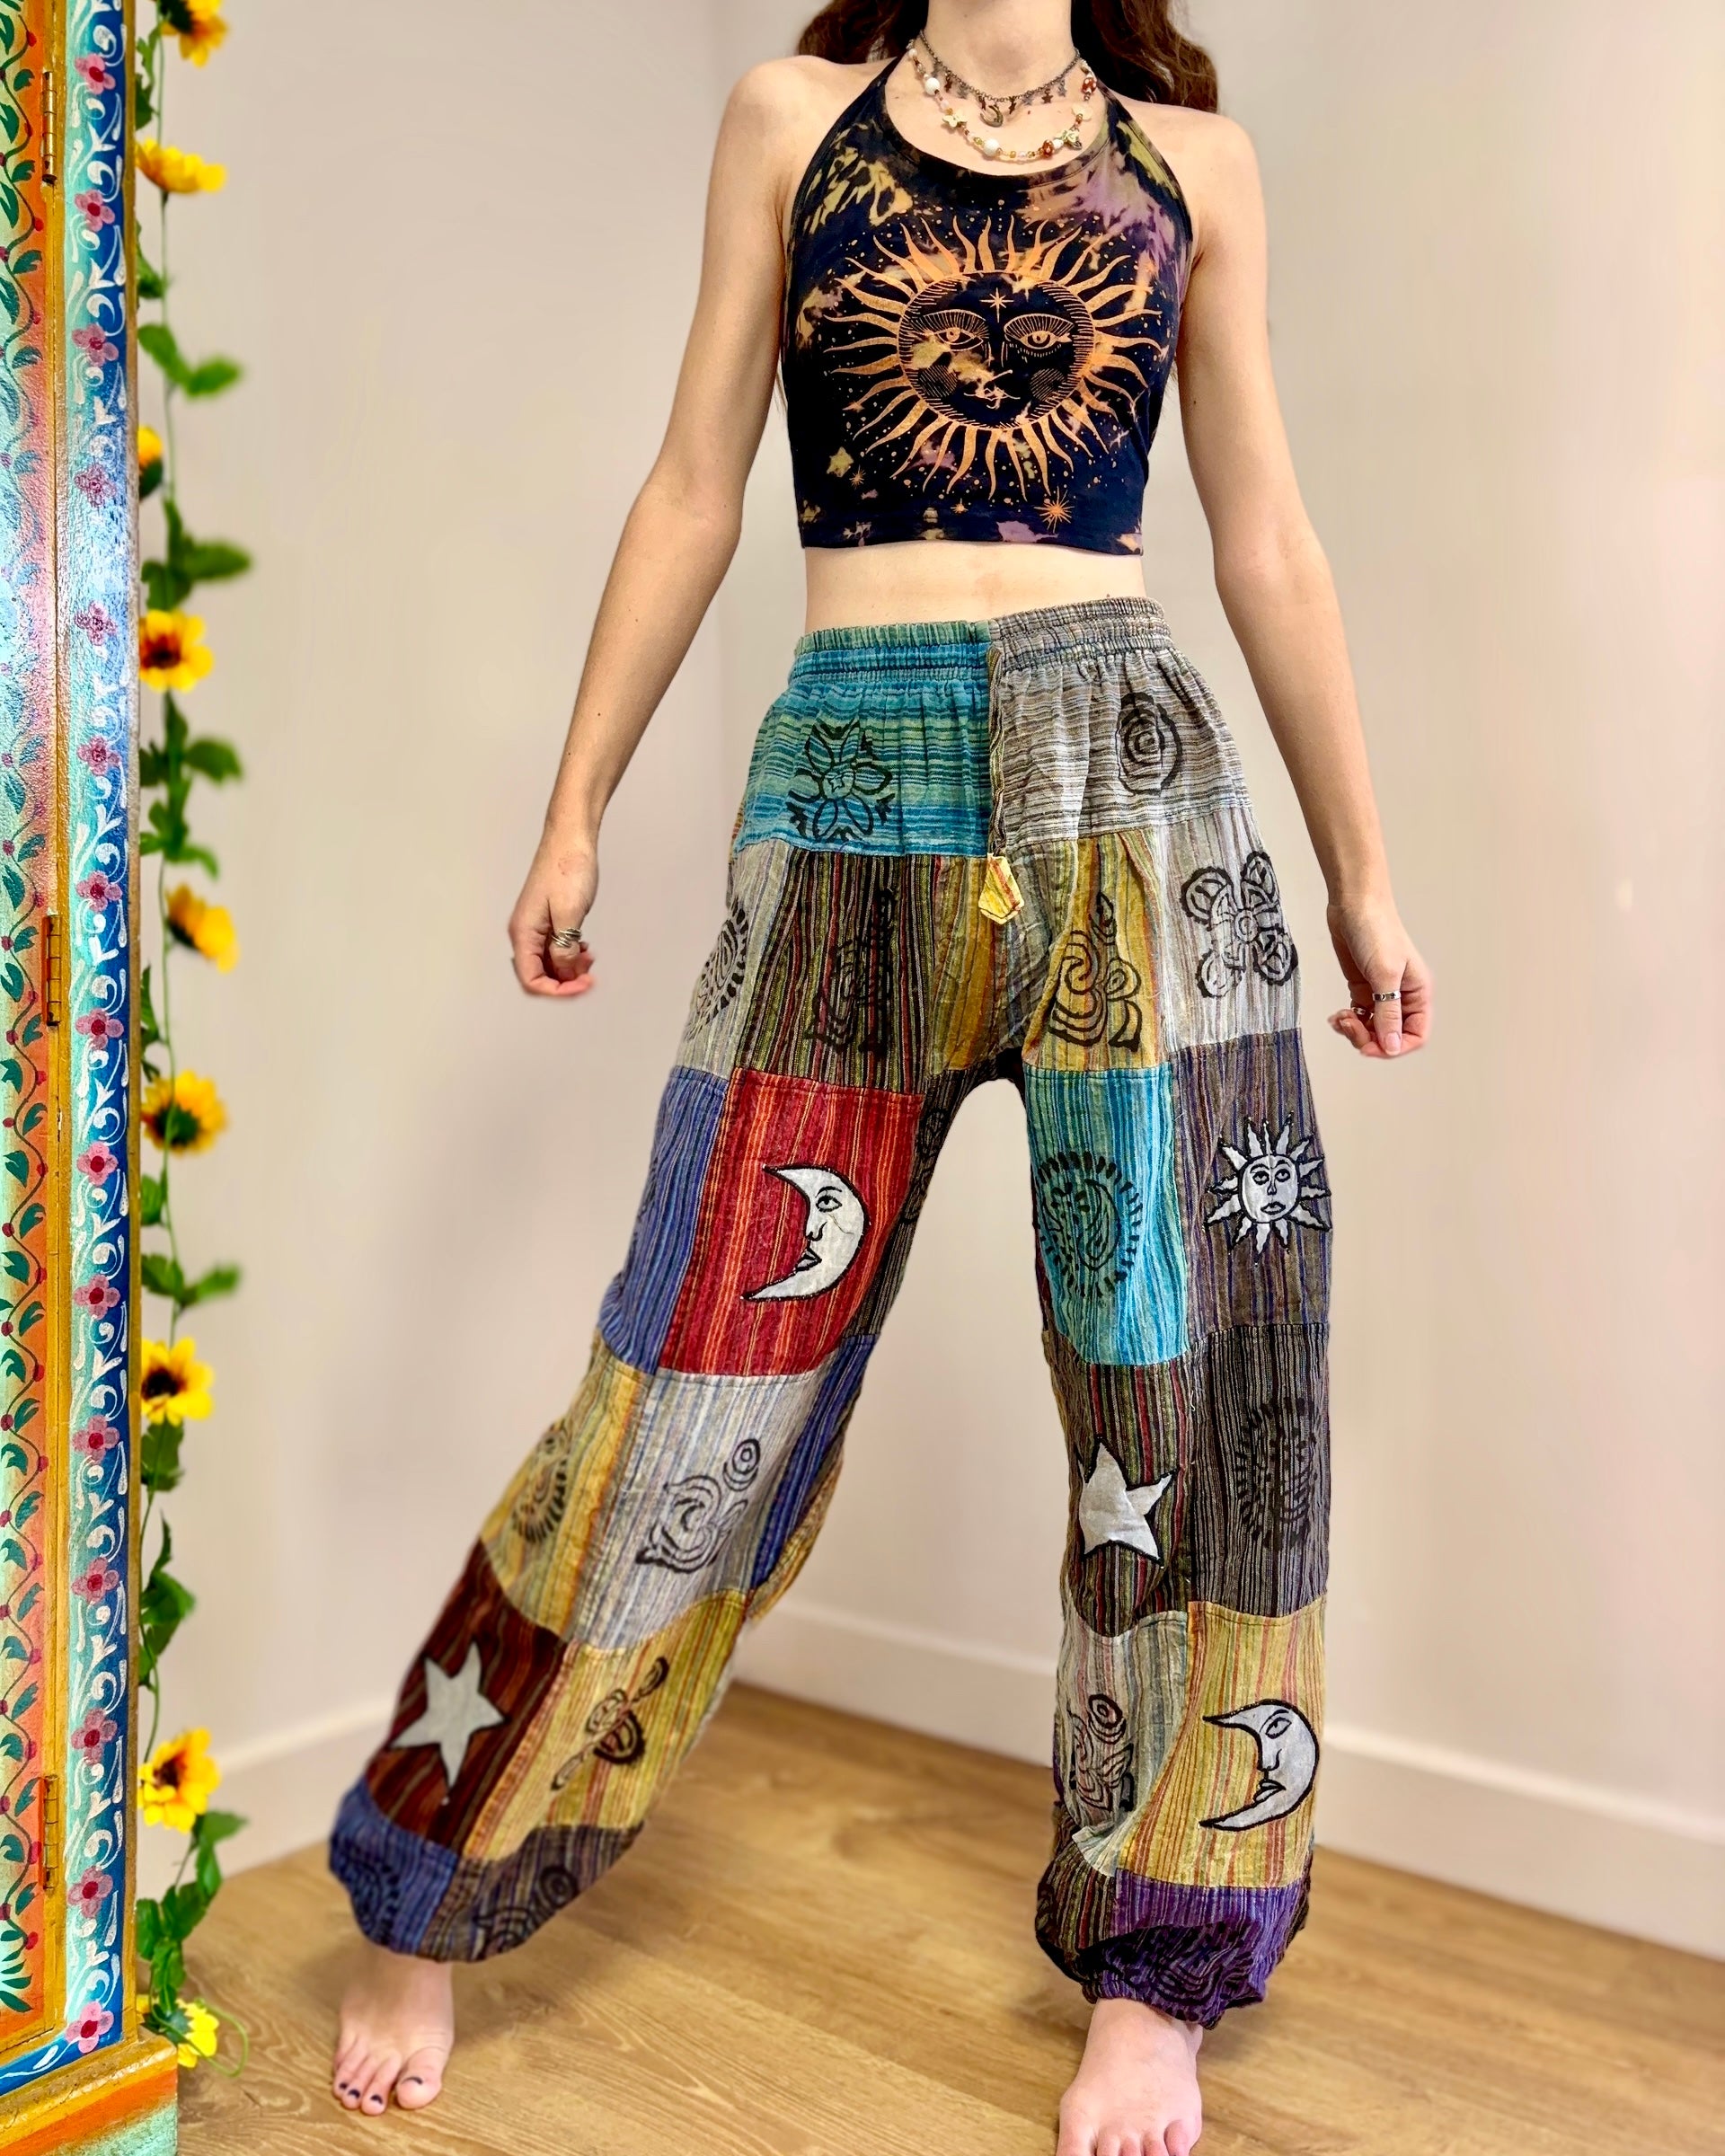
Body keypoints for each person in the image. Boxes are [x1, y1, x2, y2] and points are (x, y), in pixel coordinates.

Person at [327, 3, 1431, 2148]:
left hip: (1135, 792)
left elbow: (1268, 539)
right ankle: (433, 1883)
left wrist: (1365, 875)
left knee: (1191, 1393)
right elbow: (692, 486)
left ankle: (1161, 1969)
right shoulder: (792, 120)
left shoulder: (1191, 162)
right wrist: (575, 809)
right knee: (689, 1382)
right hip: (849, 780)